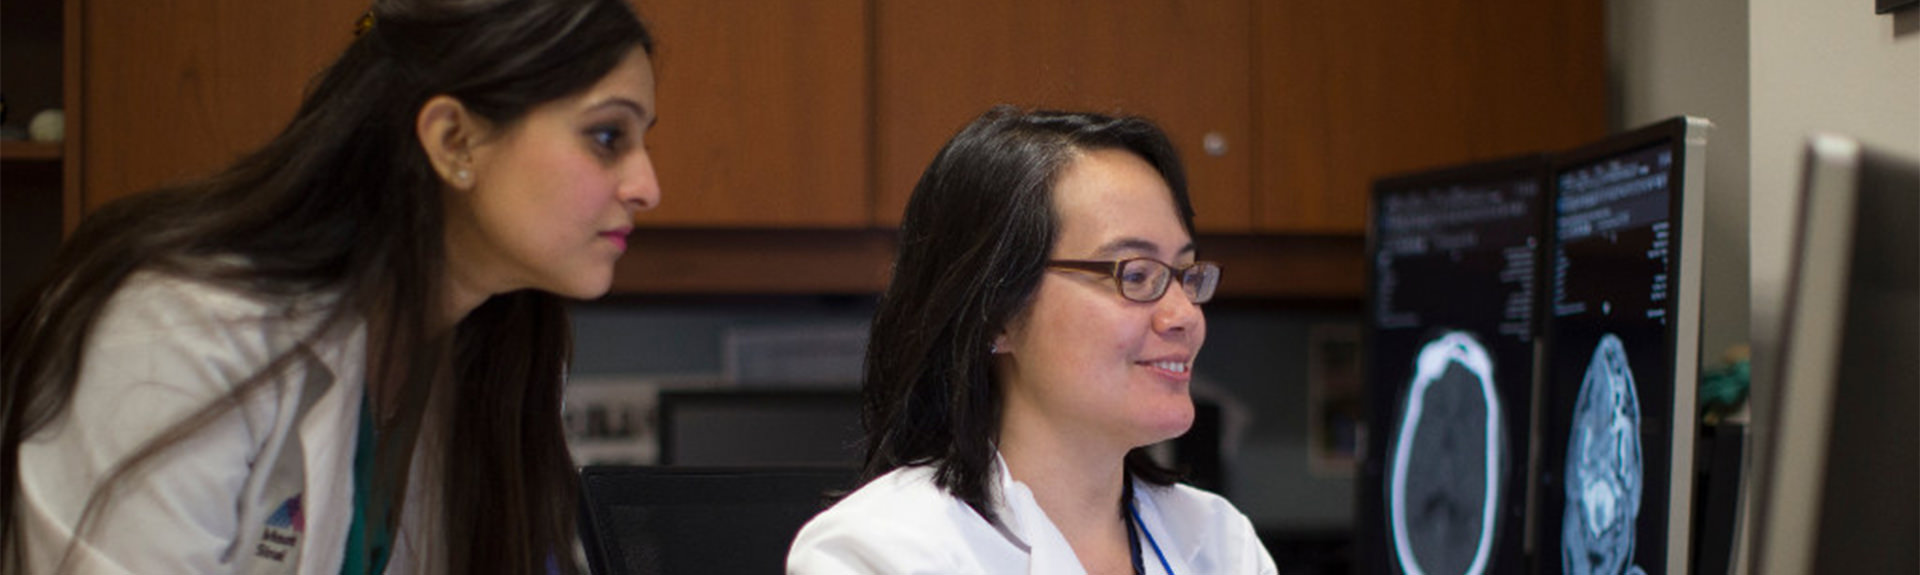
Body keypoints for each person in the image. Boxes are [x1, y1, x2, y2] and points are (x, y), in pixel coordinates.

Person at [1, 0, 659, 573]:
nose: (646, 186)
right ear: (453, 139)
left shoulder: (505, 356)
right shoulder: (180, 328)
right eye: (607, 137)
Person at [788, 106, 1278, 575]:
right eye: (1137, 274)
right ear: (996, 313)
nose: (1184, 315)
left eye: (1184, 273)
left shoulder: (1220, 544)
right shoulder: (881, 552)